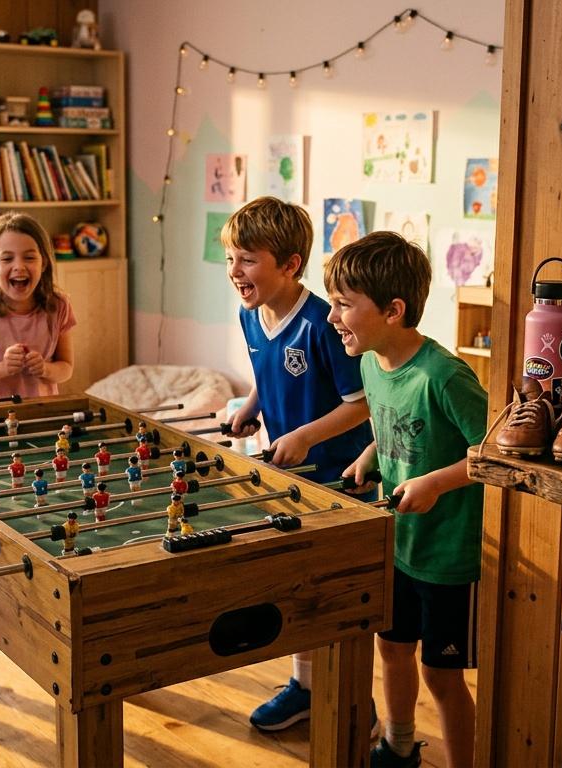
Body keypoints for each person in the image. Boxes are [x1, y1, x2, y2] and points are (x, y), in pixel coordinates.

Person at [324, 231, 486, 768]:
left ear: (393, 311)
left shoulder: (445, 375)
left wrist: (436, 482)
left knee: (442, 676)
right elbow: (394, 424)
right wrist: (370, 455)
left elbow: (493, 456)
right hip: (399, 547)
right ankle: (397, 745)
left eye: (344, 305)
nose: (332, 317)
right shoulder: (371, 362)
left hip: (447, 559)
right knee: (392, 650)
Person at [219, 195, 374, 733]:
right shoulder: (249, 314)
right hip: (287, 478)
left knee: (329, 590)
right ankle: (305, 687)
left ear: (289, 265)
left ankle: (356, 700)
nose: (236, 271)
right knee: (293, 584)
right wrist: (250, 407)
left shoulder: (322, 324)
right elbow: (267, 374)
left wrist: (304, 437)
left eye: (248, 259)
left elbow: (361, 404)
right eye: (232, 258)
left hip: (338, 479)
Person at [0, 212, 76, 399]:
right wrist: (2, 368)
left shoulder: (59, 306)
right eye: (7, 259)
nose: (19, 266)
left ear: (43, 263)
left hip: (43, 415)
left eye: (29, 257)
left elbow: (66, 368)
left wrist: (45, 369)